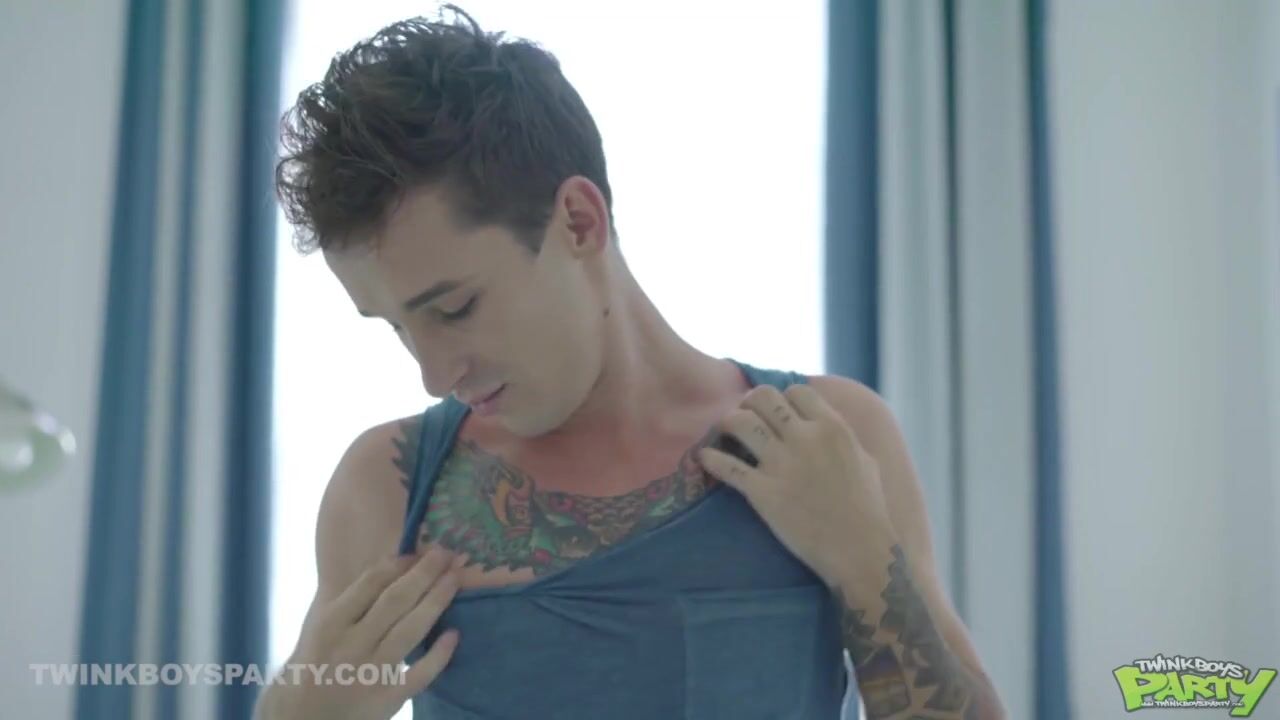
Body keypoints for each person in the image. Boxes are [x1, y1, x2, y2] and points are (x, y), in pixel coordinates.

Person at [255, 5, 1006, 719]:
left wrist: (867, 562)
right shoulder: (384, 489)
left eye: (455, 309)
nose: (432, 374)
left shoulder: (830, 436)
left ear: (579, 221)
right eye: (396, 327)